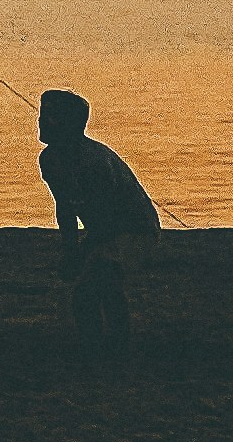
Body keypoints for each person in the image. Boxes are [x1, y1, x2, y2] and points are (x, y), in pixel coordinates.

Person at [37, 90, 160, 365]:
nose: (42, 123)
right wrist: (70, 249)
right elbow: (65, 207)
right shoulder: (50, 159)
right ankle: (100, 351)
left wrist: (79, 254)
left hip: (135, 230)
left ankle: (113, 352)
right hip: (107, 232)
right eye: (43, 116)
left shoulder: (94, 162)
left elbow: (107, 222)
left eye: (51, 118)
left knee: (97, 284)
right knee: (95, 285)